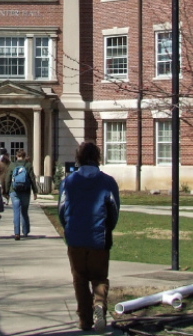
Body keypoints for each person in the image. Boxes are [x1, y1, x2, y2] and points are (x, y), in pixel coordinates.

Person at [58, 142, 120, 333]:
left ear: (79, 158)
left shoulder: (68, 182)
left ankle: (85, 320)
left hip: (75, 238)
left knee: (80, 280)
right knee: (100, 278)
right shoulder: (108, 182)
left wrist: (68, 228)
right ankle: (99, 304)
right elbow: (114, 211)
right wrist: (108, 228)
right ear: (97, 157)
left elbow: (61, 210)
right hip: (99, 238)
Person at [7, 149, 39, 240]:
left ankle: (17, 233)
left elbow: (8, 179)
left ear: (17, 156)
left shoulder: (12, 165)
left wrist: (6, 191)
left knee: (16, 212)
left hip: (14, 191)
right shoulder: (28, 165)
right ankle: (25, 231)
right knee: (24, 211)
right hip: (25, 191)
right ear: (24, 156)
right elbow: (32, 179)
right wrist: (35, 191)